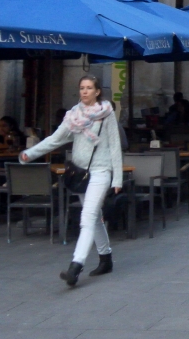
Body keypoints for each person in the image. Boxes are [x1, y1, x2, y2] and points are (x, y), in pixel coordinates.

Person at [21, 74, 123, 287]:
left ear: (97, 92)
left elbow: (115, 145)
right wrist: (30, 154)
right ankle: (106, 258)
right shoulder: (73, 115)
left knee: (87, 218)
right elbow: (55, 139)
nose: (85, 91)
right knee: (94, 218)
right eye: (82, 87)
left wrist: (117, 178)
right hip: (80, 173)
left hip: (101, 171)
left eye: (89, 88)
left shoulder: (106, 113)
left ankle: (75, 266)